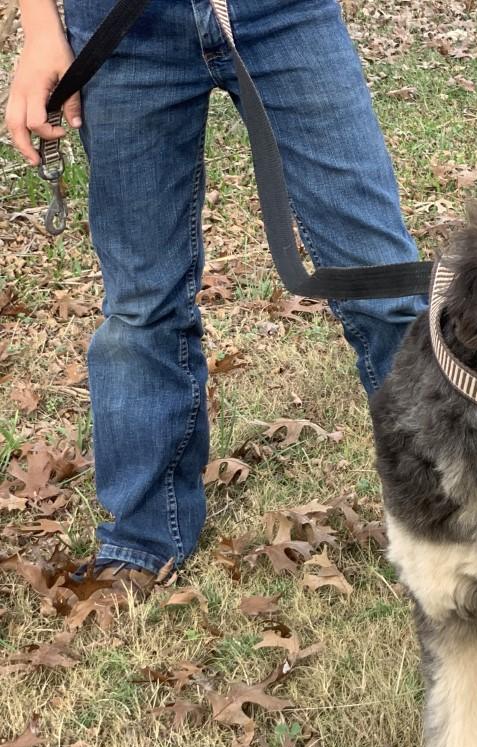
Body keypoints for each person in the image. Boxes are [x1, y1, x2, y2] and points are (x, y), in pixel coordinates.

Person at [5, 0, 426, 576]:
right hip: (121, 25)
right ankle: (144, 539)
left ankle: (460, 514)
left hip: (283, 13)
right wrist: (39, 30)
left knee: (383, 283)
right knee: (141, 306)